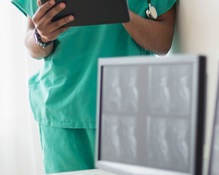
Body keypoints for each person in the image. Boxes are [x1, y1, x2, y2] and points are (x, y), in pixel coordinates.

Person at [11, 0, 177, 173]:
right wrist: (41, 37)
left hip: (128, 113)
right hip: (63, 115)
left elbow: (163, 42)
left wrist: (118, 12)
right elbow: (32, 42)